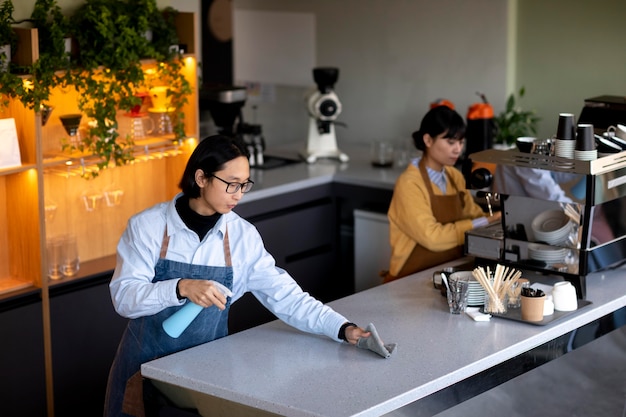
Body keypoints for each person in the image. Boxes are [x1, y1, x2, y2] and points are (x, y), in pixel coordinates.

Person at [104, 135, 372, 417]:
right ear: (201, 178)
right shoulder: (147, 227)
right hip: (142, 371)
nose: (239, 194)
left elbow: (287, 297)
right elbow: (124, 300)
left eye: (244, 184)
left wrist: (342, 328)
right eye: (232, 184)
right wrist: (180, 287)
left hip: (205, 376)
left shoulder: (242, 237)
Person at [385, 105, 501, 282]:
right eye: (450, 142)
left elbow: (472, 214)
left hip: (449, 272)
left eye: (461, 142)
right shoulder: (409, 183)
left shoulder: (454, 176)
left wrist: (495, 220)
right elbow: (432, 237)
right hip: (410, 277)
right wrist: (485, 221)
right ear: (428, 140)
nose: (458, 149)